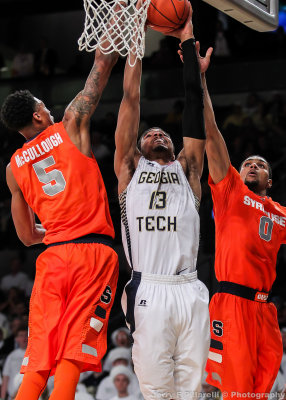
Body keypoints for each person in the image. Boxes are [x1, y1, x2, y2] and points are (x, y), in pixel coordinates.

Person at [0, 33, 120, 400]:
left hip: (52, 259)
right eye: (44, 107)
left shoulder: (13, 167)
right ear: (38, 114)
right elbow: (101, 65)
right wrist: (123, 23)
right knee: (74, 349)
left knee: (39, 355)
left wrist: (54, 230)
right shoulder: (69, 125)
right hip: (92, 255)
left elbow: (24, 236)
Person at [114, 5, 212, 399]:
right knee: (157, 391)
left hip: (190, 288)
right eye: (149, 134)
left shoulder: (188, 169)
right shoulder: (129, 169)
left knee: (194, 390)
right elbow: (131, 97)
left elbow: (193, 104)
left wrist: (188, 40)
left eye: (163, 134)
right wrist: (136, 37)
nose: (157, 134)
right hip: (149, 288)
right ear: (137, 148)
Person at [200, 48, 286, 398]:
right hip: (232, 302)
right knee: (236, 391)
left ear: (270, 180)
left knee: (261, 390)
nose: (251, 165)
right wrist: (200, 78)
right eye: (247, 162)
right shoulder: (230, 189)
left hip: (266, 310)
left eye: (260, 165)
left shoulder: (280, 212)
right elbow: (212, 134)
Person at [1, 325, 28, 400]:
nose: (24, 338)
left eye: (26, 335)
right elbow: (5, 378)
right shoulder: (11, 356)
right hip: (12, 397)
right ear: (16, 339)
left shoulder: (35, 354)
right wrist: (2, 398)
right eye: (21, 335)